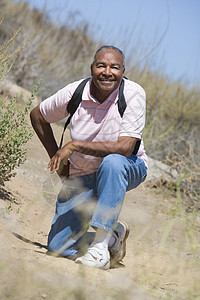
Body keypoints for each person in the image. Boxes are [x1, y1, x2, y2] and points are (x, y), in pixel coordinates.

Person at [30, 45, 148, 270]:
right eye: (101, 65)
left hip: (128, 166)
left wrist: (74, 146)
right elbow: (38, 116)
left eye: (115, 67)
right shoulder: (75, 92)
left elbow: (124, 148)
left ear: (123, 71)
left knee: (112, 162)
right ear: (91, 68)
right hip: (83, 172)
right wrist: (61, 163)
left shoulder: (133, 94)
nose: (107, 72)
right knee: (58, 247)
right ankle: (114, 236)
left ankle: (100, 249)